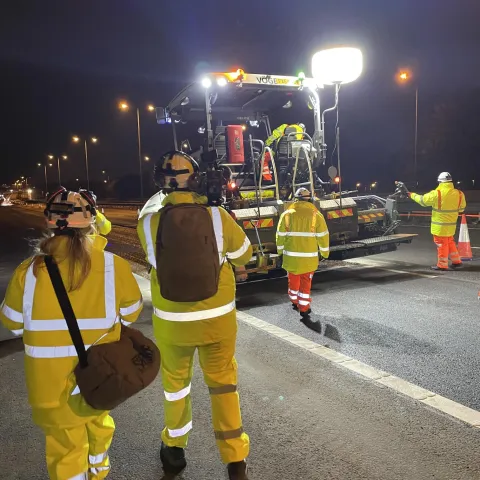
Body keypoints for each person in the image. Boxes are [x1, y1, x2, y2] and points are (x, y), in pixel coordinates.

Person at [0, 187, 143, 479]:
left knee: (66, 454)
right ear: (91, 221)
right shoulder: (112, 266)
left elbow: (12, 323)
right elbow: (131, 313)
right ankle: (99, 471)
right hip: (98, 378)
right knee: (99, 424)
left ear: (50, 223)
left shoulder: (28, 272)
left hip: (50, 389)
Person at [137, 151, 252, 479]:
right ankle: (235, 460)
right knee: (224, 386)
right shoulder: (217, 216)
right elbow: (245, 252)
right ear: (198, 177)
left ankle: (174, 450)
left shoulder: (149, 221)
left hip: (173, 325)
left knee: (176, 387)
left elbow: (151, 255)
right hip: (217, 321)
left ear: (162, 180)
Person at [276, 187, 329, 323]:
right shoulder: (316, 215)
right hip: (309, 259)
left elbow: (280, 236)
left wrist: (280, 251)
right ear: (309, 199)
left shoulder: (286, 215)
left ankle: (294, 300)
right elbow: (323, 236)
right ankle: (304, 308)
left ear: (295, 199)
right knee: (306, 283)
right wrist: (324, 253)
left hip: (291, 259)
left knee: (293, 279)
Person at [407, 172, 466, 271]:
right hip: (451, 225)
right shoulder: (459, 194)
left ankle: (442, 265)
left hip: (439, 226)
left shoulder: (436, 193)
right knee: (450, 242)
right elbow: (461, 209)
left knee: (441, 244)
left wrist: (412, 195)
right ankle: (457, 262)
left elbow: (423, 201)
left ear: (440, 182)